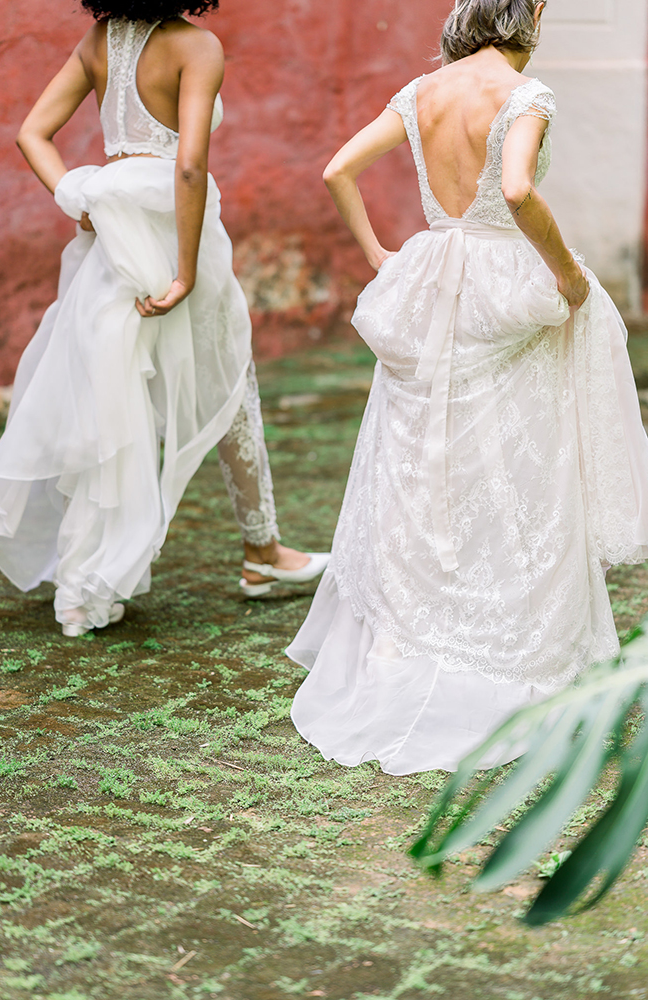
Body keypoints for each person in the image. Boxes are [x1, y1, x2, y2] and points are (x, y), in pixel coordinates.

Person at [287, 0, 648, 774]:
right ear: (526, 18)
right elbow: (515, 190)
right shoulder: (526, 94)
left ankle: (405, 643)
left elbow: (336, 170)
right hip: (504, 283)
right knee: (519, 463)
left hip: (432, 275)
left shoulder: (422, 91)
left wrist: (380, 255)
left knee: (420, 462)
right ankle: (504, 640)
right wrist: (567, 275)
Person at [0, 0, 329, 637]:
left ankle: (85, 587)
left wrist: (80, 204)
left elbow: (31, 132)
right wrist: (185, 273)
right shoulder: (196, 47)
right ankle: (261, 552)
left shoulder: (98, 40)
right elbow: (189, 166)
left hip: (114, 249)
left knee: (109, 395)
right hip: (176, 239)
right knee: (231, 383)